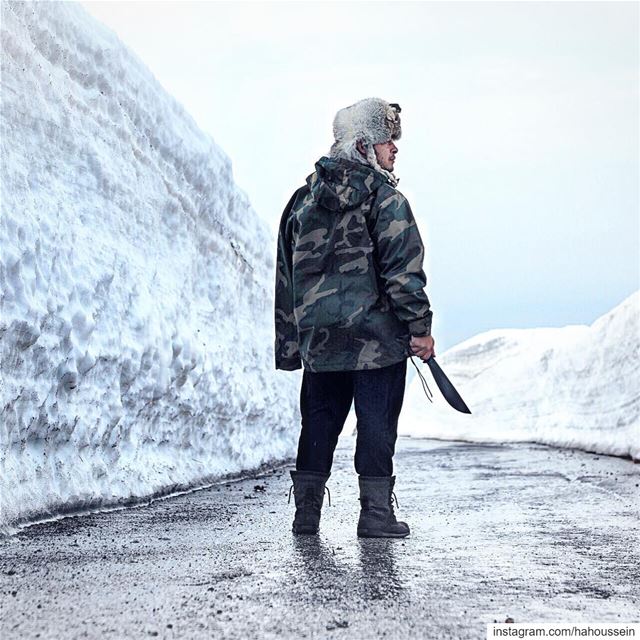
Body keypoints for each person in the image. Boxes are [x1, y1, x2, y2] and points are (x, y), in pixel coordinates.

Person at [275, 97, 435, 538]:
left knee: (319, 425)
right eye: (387, 142)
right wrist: (420, 329)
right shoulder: (386, 200)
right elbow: (403, 273)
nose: (394, 150)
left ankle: (306, 515)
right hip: (377, 344)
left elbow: (286, 279)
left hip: (321, 345)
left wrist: (292, 347)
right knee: (377, 426)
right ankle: (375, 515)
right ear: (365, 146)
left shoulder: (301, 203)